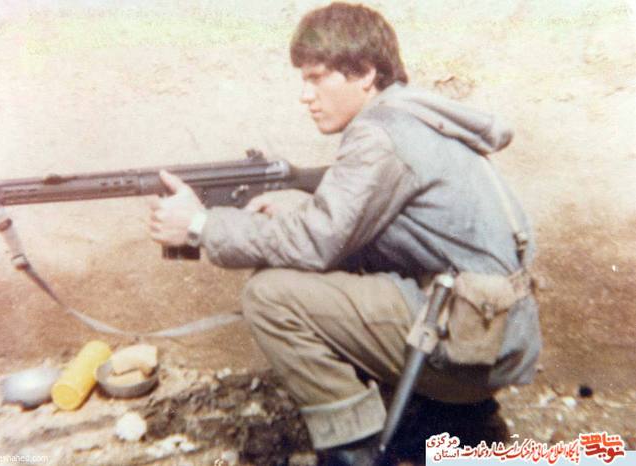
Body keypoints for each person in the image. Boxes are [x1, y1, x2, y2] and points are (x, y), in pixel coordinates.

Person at [148, 2, 541, 464]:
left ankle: (355, 451)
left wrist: (200, 225)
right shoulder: (409, 118)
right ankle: (458, 422)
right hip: (487, 328)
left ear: (366, 73)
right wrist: (298, 208)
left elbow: (315, 243)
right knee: (332, 270)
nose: (305, 95)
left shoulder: (379, 134)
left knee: (270, 295)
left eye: (317, 78)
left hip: (470, 345)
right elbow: (353, 223)